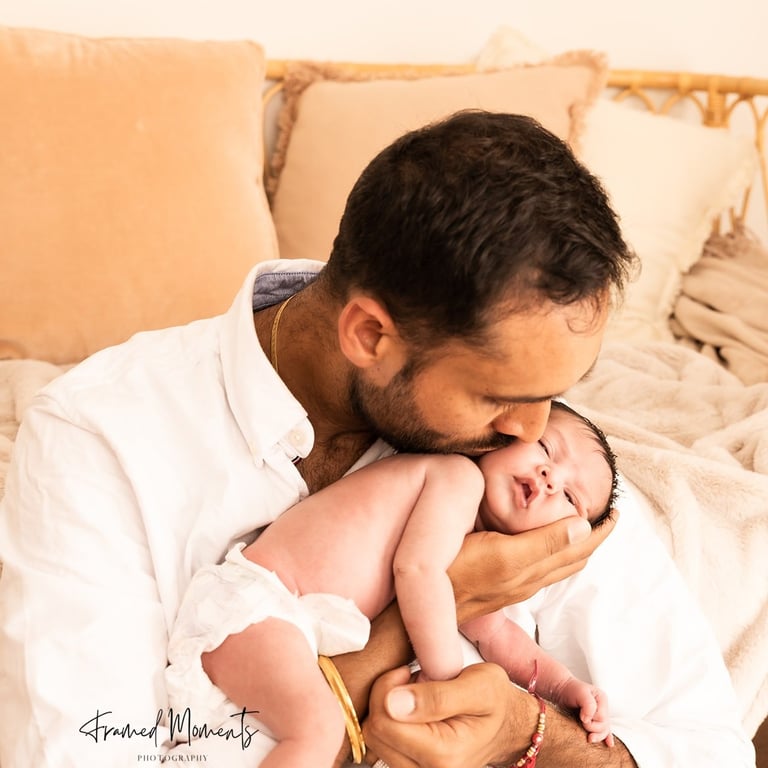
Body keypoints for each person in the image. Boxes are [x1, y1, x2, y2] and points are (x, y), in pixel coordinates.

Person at [0, 110, 754, 767]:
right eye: (499, 396)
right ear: (369, 335)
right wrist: (404, 632)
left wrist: (526, 736)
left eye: (552, 397)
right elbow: (100, 750)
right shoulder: (99, 441)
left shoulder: (539, 463)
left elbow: (707, 747)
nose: (533, 430)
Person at [165, 401, 619, 766]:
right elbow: (418, 571)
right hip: (261, 602)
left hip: (280, 626)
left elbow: (498, 633)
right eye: (545, 448)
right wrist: (446, 680)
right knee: (319, 730)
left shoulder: (475, 548)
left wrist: (565, 688)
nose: (551, 477)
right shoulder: (455, 478)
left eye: (571, 496)